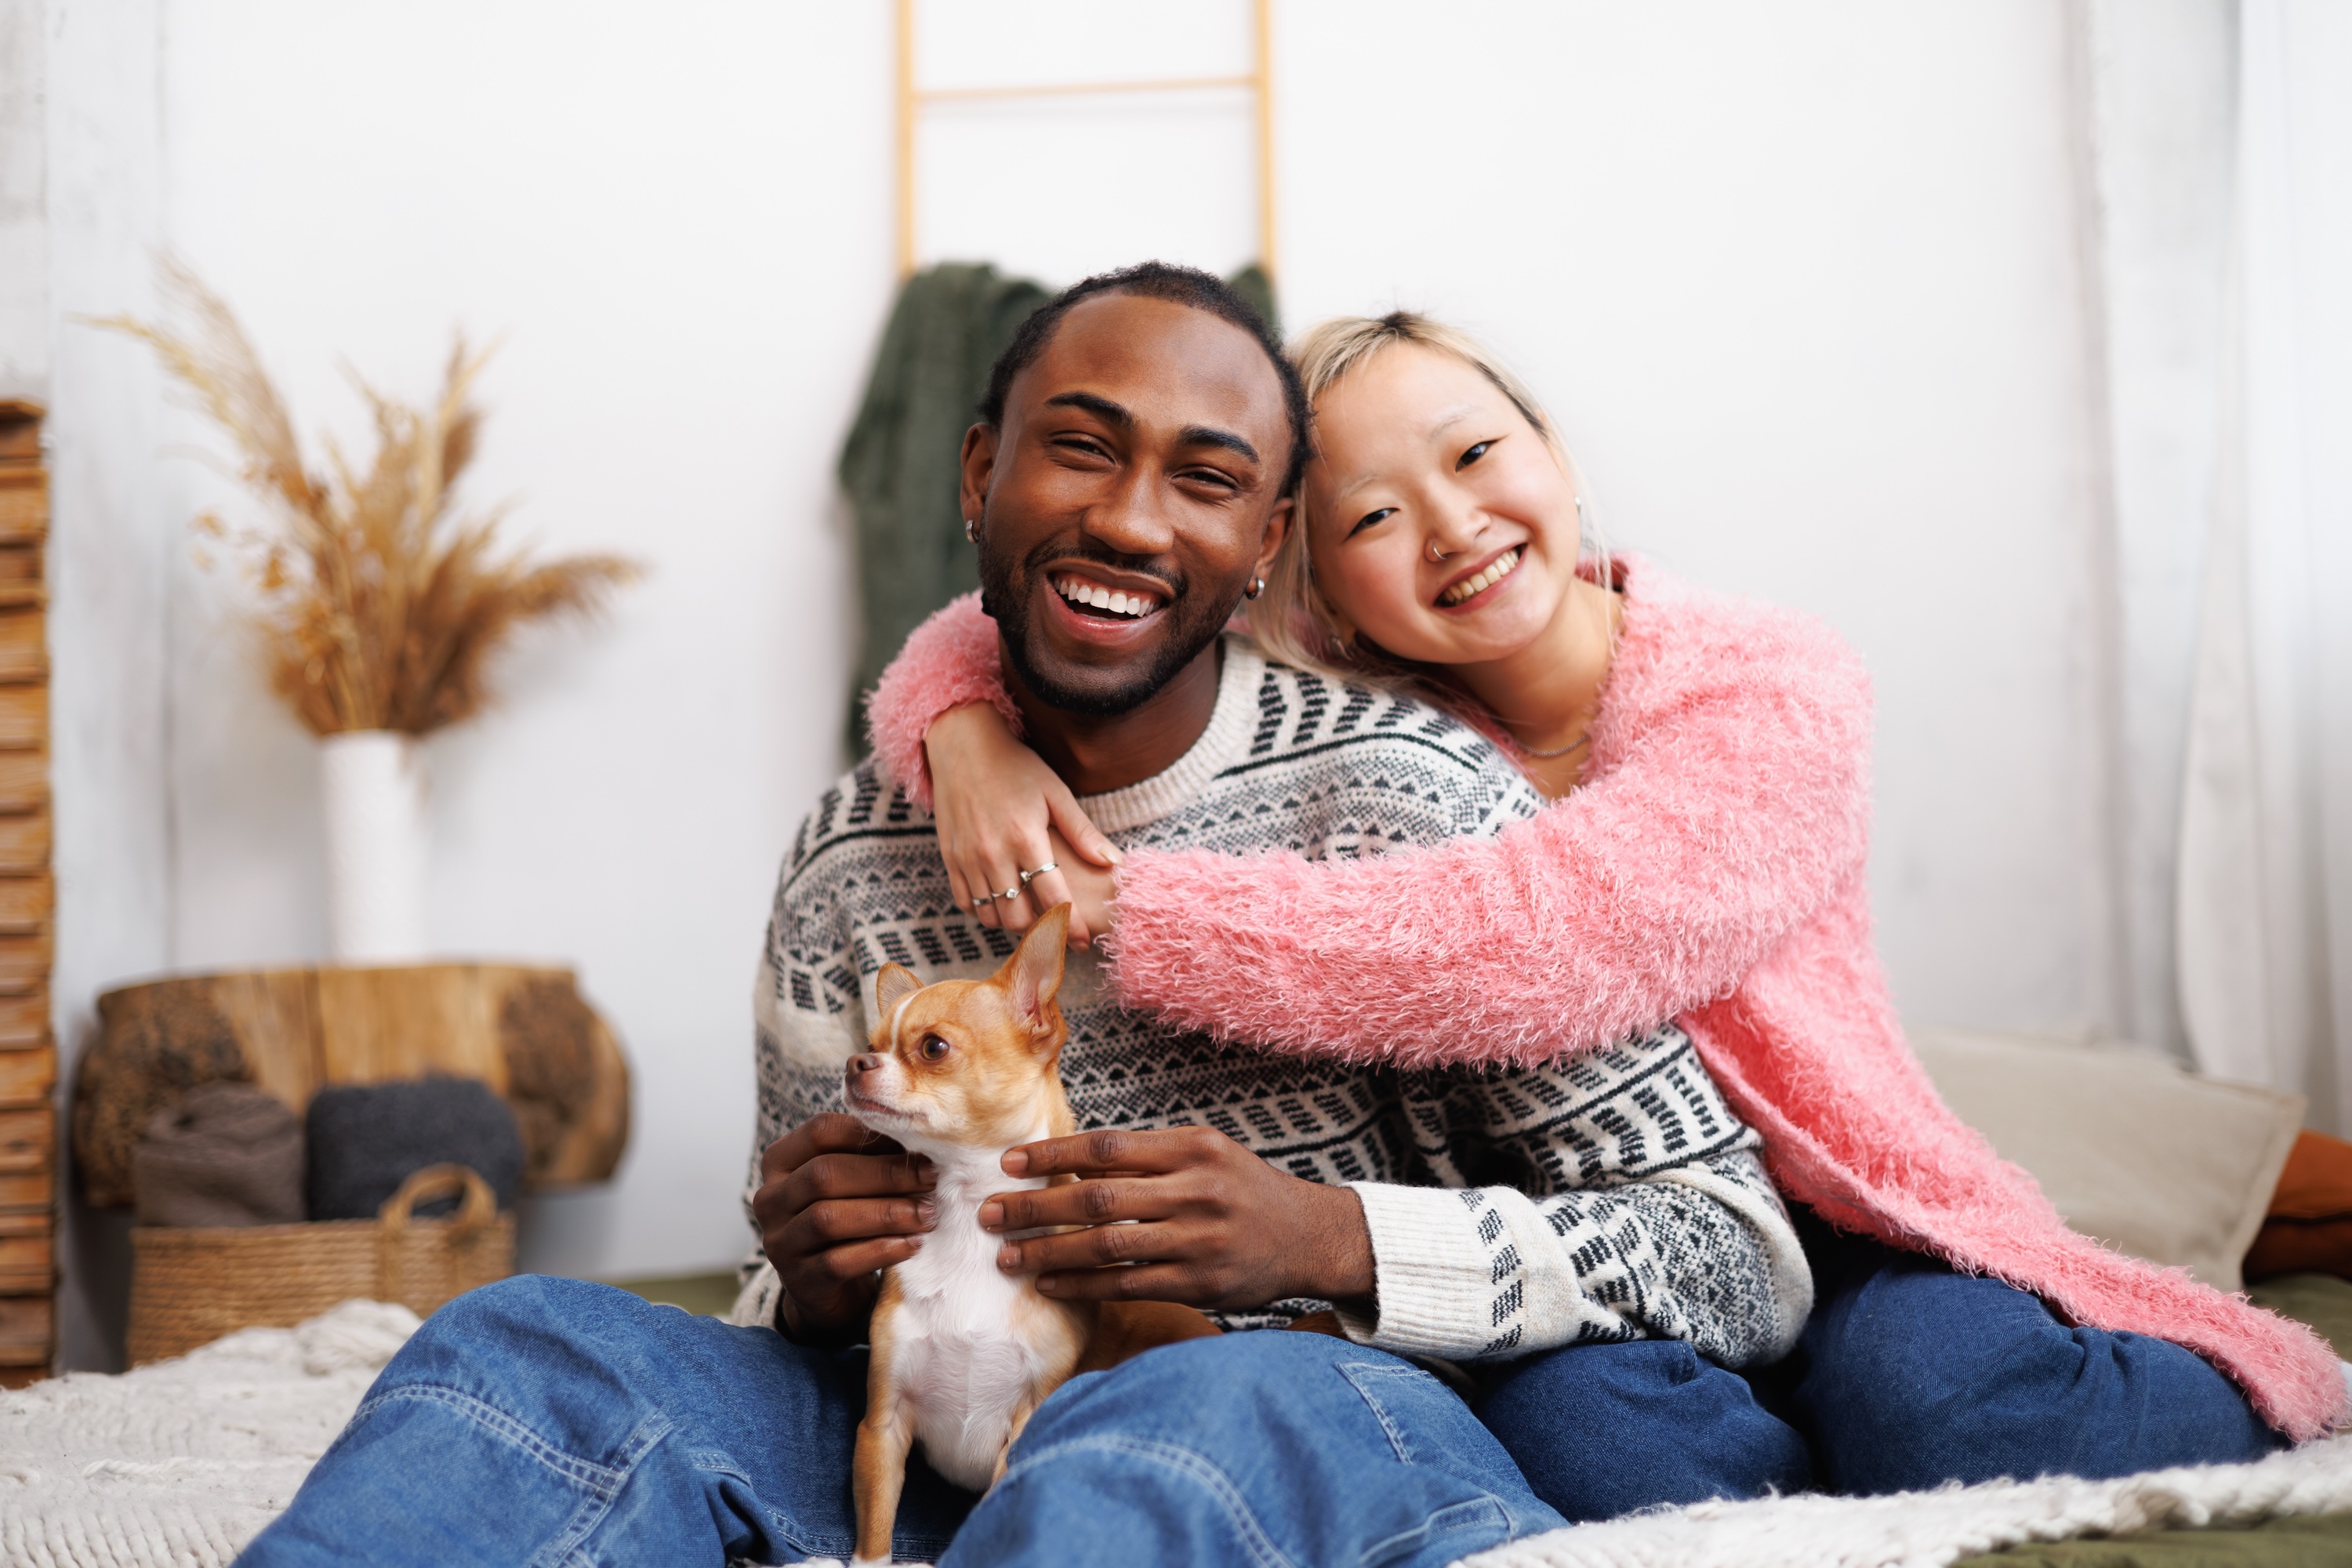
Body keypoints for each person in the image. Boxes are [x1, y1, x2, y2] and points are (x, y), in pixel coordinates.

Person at [234, 265, 1815, 1568]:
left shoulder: (1413, 801)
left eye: (1206, 480)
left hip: (1292, 1405)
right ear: (980, 469)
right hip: (945, 1444)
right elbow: (816, 1324)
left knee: (1180, 1415)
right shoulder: (858, 857)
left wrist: (1326, 1235)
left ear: (1267, 544)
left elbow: (1739, 1256)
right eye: (1082, 446)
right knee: (526, 1343)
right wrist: (815, 1265)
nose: (1135, 521)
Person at [863, 308, 2340, 1508]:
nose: (1450, 525)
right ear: (1305, 586)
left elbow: (1532, 945)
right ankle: (1800, 1495)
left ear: (1554, 448)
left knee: (1936, 1401)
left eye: (1476, 452)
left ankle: (2230, 1389)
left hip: (1841, 1224)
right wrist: (958, 724)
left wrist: (1134, 906)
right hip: (1579, 1236)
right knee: (1600, 1454)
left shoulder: (1769, 683)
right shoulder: (1379, 721)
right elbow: (1085, 596)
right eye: (1375, 512)